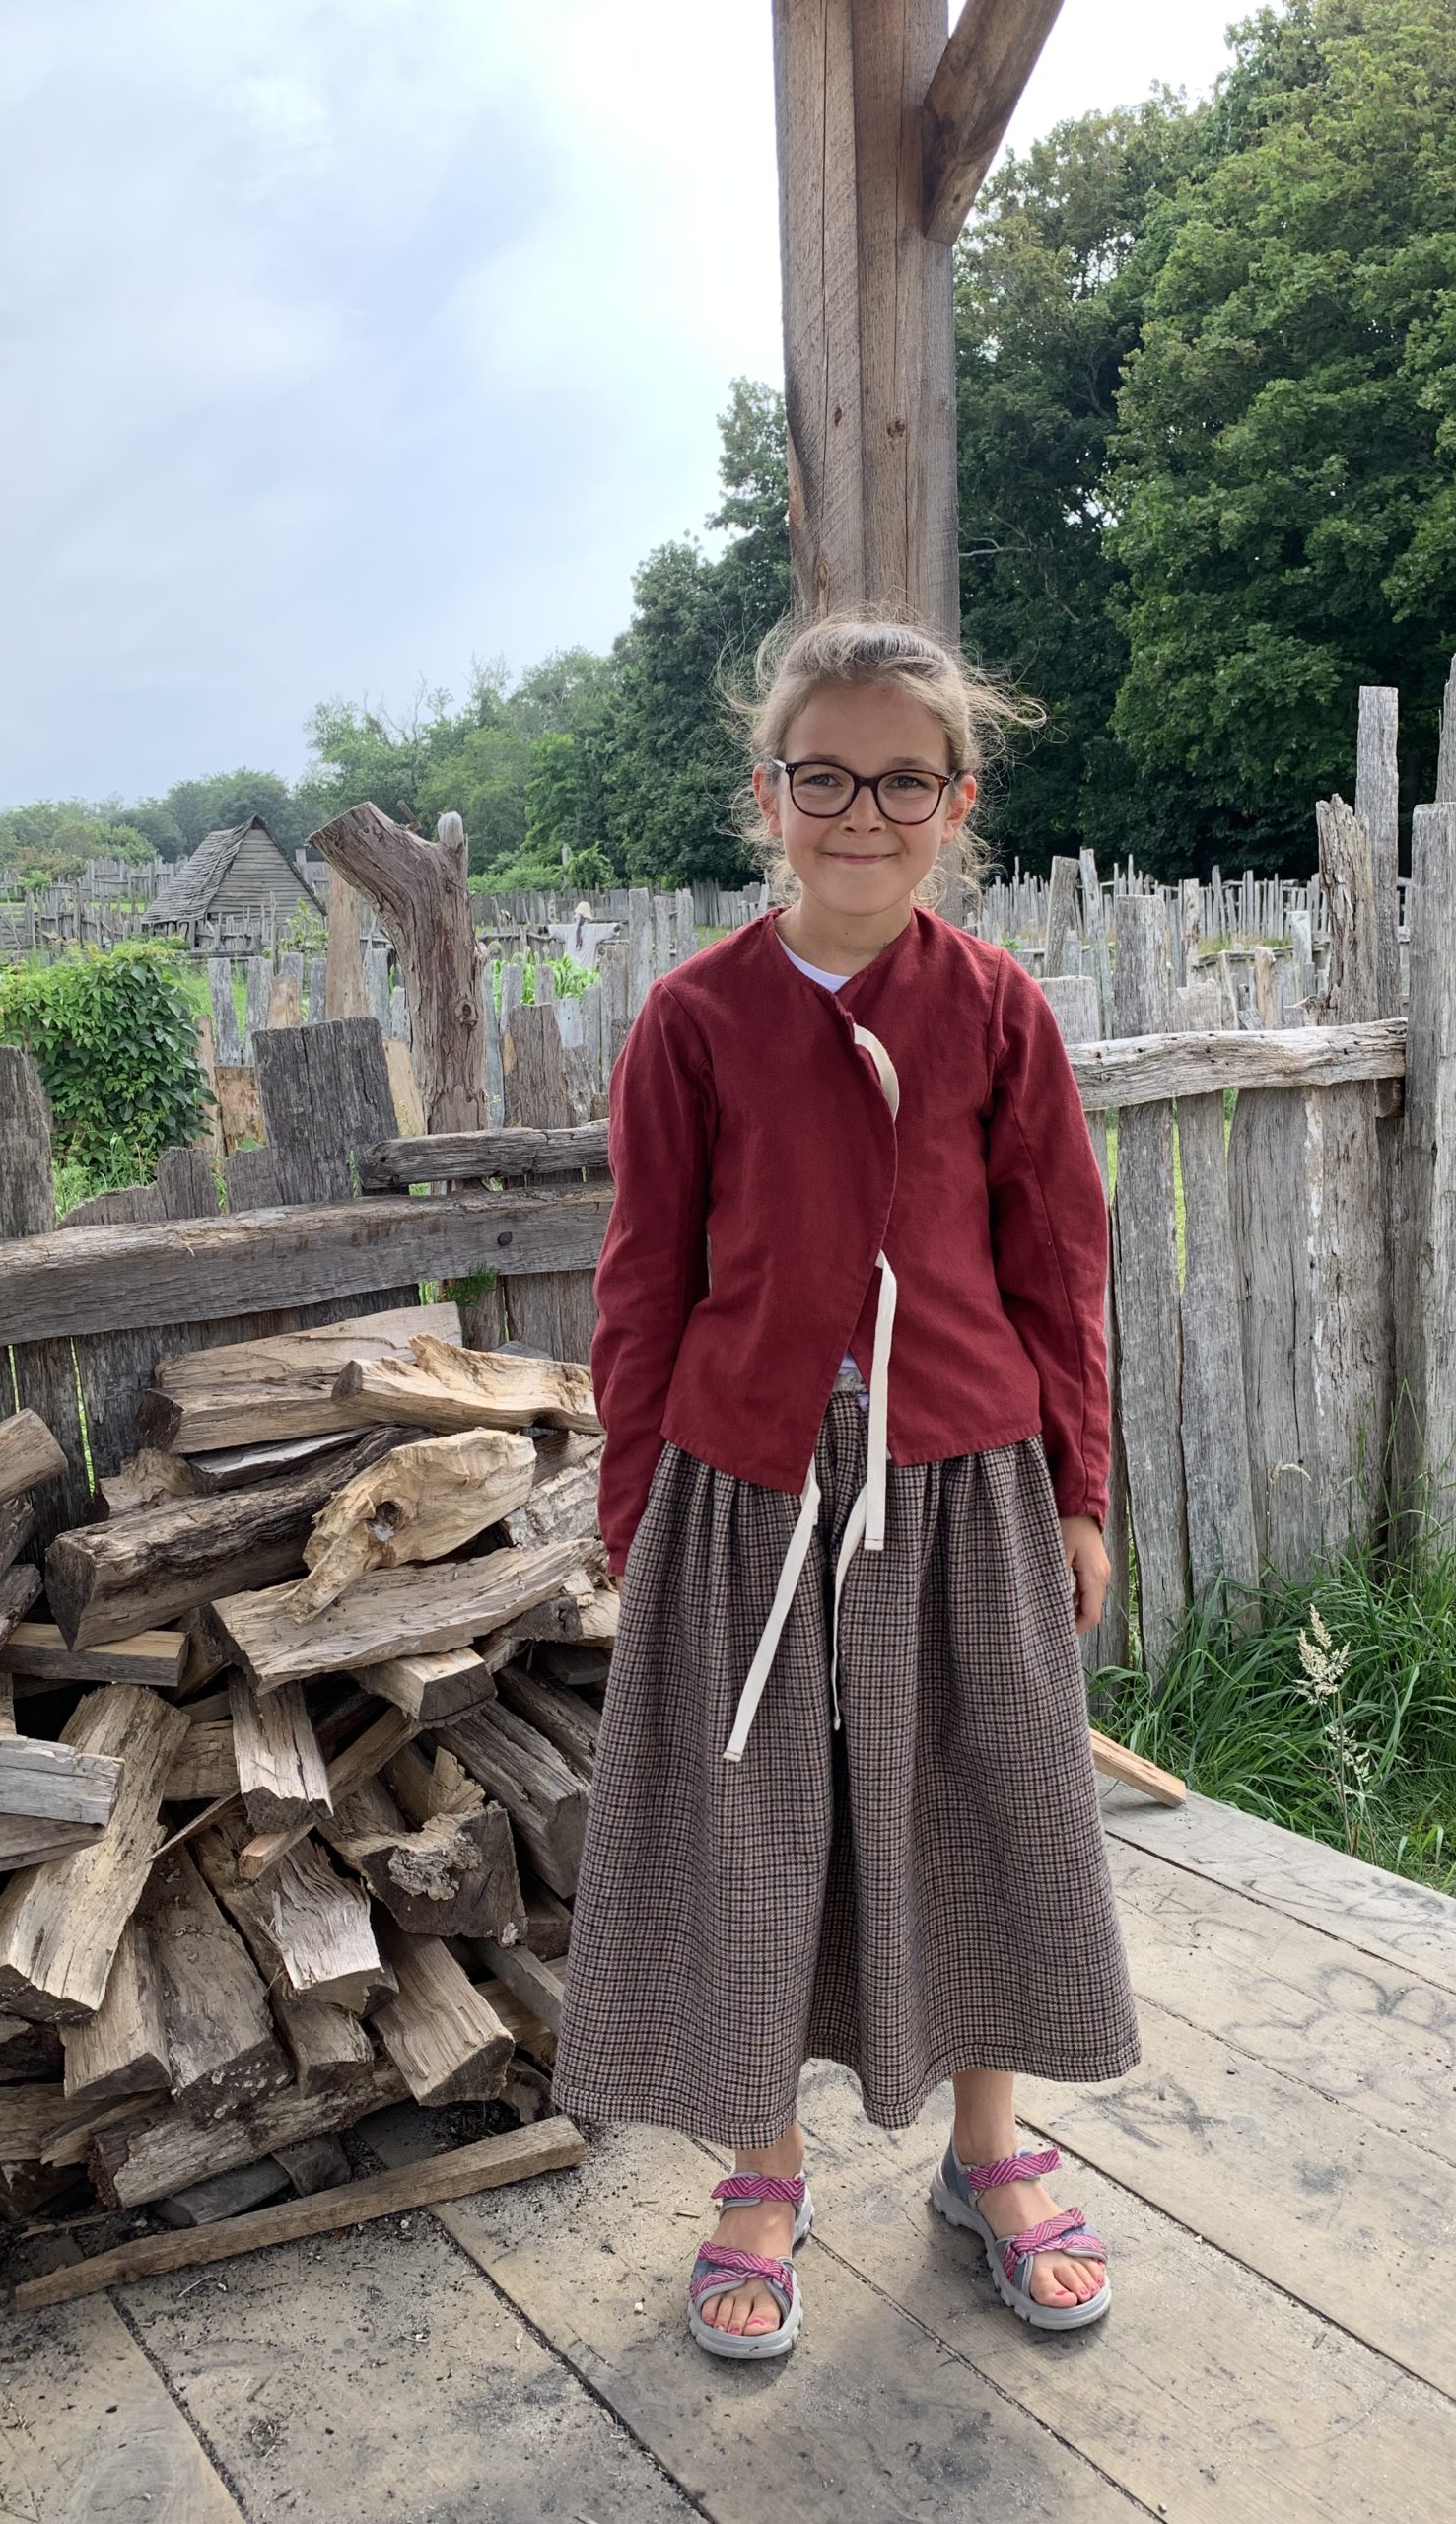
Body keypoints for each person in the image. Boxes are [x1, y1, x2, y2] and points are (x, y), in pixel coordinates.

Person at [549, 614, 1142, 2359]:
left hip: (962, 1485)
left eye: (902, 782)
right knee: (754, 1829)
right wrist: (638, 1512)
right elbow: (643, 1281)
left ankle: (988, 2150)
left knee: (984, 1801)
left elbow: (1061, 1266)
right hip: (746, 1495)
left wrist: (1081, 1492)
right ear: (769, 796)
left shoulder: (996, 1010)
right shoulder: (695, 1020)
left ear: (957, 802)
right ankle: (763, 2166)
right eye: (826, 779)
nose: (862, 814)